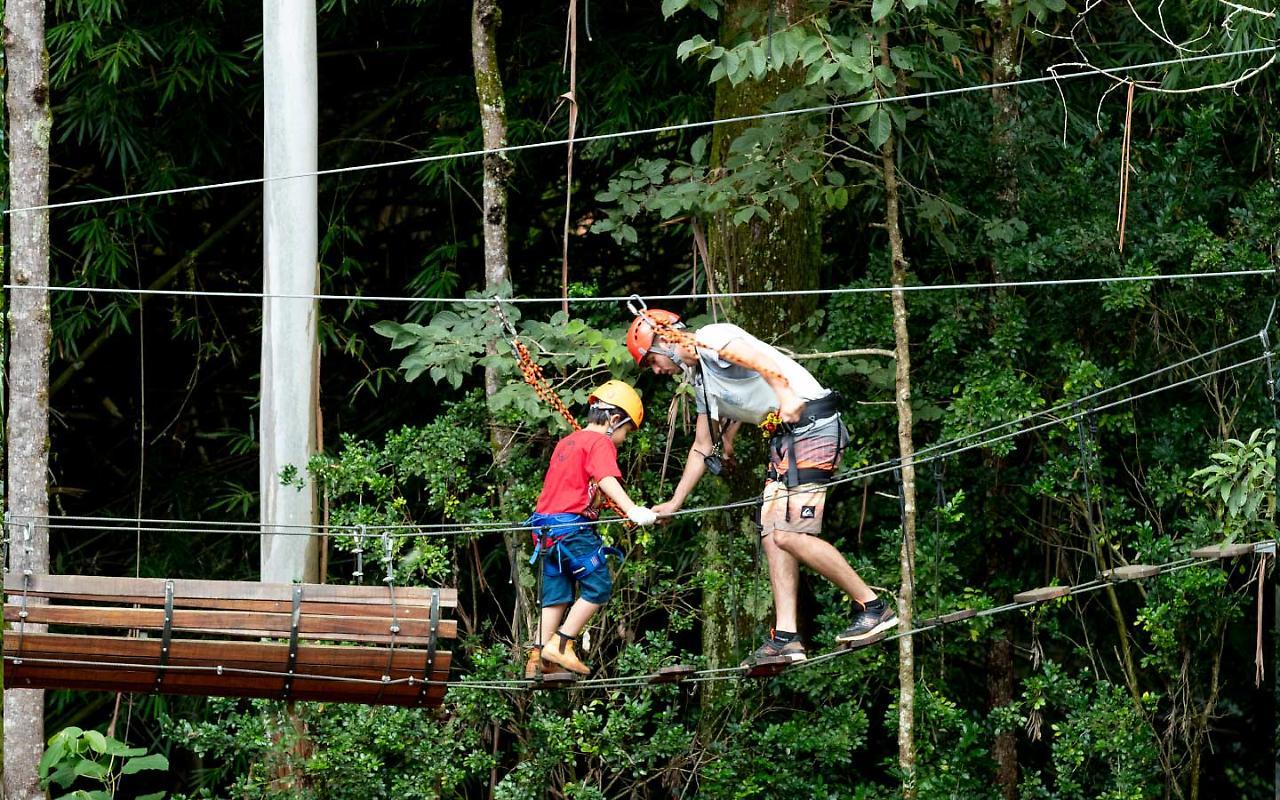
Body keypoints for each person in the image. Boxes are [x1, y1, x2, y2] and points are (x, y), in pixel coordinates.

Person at [628, 308, 896, 664]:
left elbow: (756, 359)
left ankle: (873, 606)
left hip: (813, 425)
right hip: (786, 439)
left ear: (665, 340)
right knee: (772, 533)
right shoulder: (700, 380)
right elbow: (701, 446)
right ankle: (786, 636)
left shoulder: (712, 336)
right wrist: (675, 502)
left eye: (651, 361)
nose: (656, 371)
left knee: (790, 534)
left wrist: (785, 394)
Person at [523, 380, 658, 678]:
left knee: (556, 594)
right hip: (572, 529)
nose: (623, 439)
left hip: (545, 532)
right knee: (599, 586)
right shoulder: (600, 442)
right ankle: (561, 645)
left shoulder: (568, 441)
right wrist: (632, 509)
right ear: (613, 420)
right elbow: (607, 477)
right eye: (625, 431)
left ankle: (537, 658)